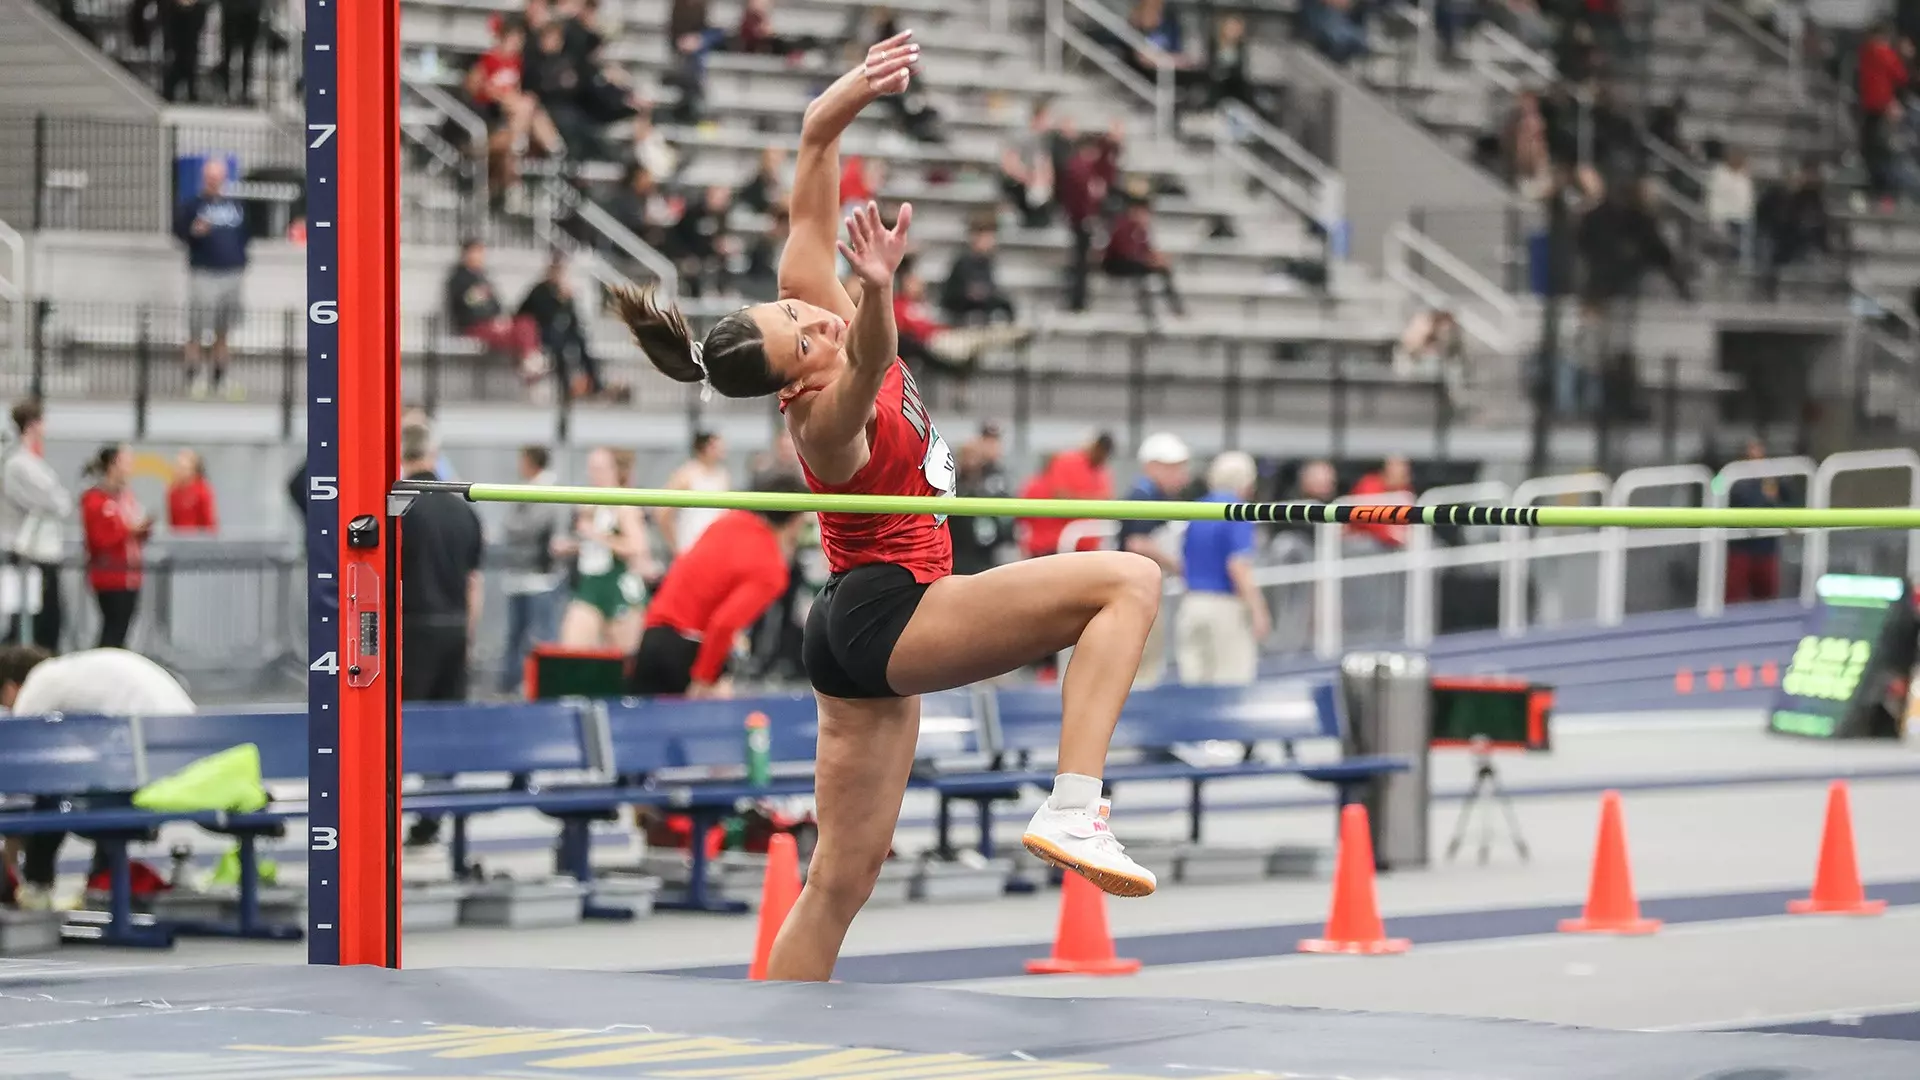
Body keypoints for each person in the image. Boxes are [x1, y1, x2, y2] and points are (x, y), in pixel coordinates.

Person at [609, 31, 1162, 983]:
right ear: (792, 381)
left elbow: (812, 150)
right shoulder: (824, 419)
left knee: (839, 883)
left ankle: (764, 1048)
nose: (812, 318)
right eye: (801, 333)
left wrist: (855, 89)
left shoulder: (819, 307)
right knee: (1128, 581)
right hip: (887, 610)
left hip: (862, 631)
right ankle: (1074, 806)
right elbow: (867, 362)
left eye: (802, 311)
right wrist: (875, 295)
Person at [0, 645, 195, 911]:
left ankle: (36, 887)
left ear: (11, 686)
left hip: (152, 759)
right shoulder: (77, 672)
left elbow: (23, 768)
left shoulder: (40, 682)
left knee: (53, 793)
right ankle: (98, 883)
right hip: (183, 754)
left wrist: (9, 848)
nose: (8, 707)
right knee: (83, 786)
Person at [631, 475, 811, 697]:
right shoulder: (771, 569)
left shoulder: (729, 521)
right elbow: (724, 624)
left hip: (652, 637)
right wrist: (703, 679)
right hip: (685, 647)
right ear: (796, 521)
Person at [1176, 452, 1270, 686]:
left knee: (1193, 688)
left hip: (1191, 604)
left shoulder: (1197, 510)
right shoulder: (1238, 511)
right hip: (1224, 608)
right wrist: (1258, 610)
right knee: (1231, 685)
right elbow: (1238, 566)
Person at [559, 447, 655, 653]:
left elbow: (637, 547)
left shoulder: (625, 505)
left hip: (618, 587)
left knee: (626, 659)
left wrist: (596, 535)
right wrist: (573, 546)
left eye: (600, 468)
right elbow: (595, 548)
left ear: (615, 470)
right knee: (572, 650)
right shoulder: (590, 504)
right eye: (591, 468)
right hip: (590, 585)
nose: (594, 474)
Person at [1115, 433, 1190, 687]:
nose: (1179, 475)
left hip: (1142, 590)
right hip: (1135, 592)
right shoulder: (1144, 496)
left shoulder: (1158, 495)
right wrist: (1178, 567)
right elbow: (1137, 543)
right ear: (1151, 466)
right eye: (1171, 467)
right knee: (1141, 660)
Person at [173, 158, 249, 400]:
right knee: (196, 329)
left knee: (223, 331)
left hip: (232, 273)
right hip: (204, 273)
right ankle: (193, 378)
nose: (214, 181)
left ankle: (220, 379)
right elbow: (179, 233)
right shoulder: (192, 205)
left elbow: (245, 235)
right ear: (204, 178)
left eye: (218, 177)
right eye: (210, 177)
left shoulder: (235, 205)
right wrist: (195, 231)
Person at [0, 401, 72, 652]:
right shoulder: (18, 463)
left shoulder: (30, 461)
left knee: (46, 620)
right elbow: (55, 502)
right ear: (32, 425)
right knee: (28, 620)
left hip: (41, 552)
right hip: (26, 554)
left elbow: (59, 501)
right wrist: (55, 501)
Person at [499, 446, 571, 694]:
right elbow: (510, 525)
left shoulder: (547, 492)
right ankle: (510, 686)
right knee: (515, 637)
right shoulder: (524, 489)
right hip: (518, 575)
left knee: (543, 637)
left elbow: (527, 527)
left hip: (541, 578)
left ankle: (544, 689)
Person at [79, 445, 151, 651]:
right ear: (113, 465)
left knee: (122, 630)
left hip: (130, 574)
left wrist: (141, 530)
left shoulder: (126, 497)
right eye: (126, 462)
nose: (130, 467)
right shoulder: (95, 499)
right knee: (112, 630)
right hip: (110, 575)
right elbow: (99, 539)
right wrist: (129, 530)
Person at [658, 431, 732, 556]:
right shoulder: (686, 474)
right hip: (691, 545)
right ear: (705, 447)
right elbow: (663, 512)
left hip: (716, 546)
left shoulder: (723, 475)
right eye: (716, 445)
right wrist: (675, 547)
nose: (722, 449)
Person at [166, 449, 218, 532]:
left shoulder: (202, 490)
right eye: (177, 467)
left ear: (193, 470)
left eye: (182, 468)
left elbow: (209, 524)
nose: (178, 471)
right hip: (178, 541)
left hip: (198, 541)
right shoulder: (173, 492)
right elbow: (173, 523)